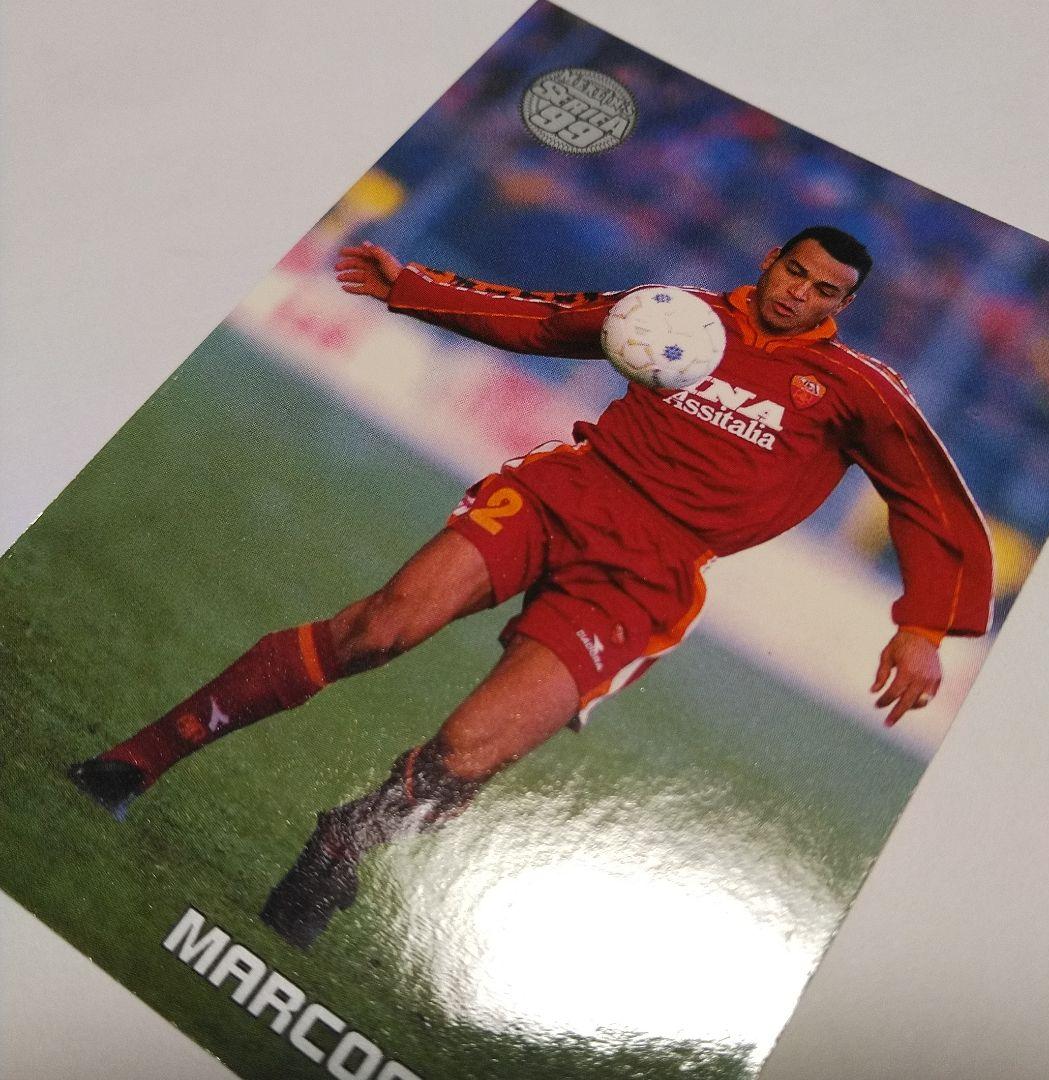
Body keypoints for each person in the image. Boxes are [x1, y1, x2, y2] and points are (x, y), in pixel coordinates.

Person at [68, 226, 994, 949]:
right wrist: (411, 289)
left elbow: (935, 505)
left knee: (469, 753)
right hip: (566, 492)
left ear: (845, 304)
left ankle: (344, 844)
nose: (801, 294)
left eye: (826, 291)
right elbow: (551, 319)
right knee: (379, 629)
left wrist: (923, 626)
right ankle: (134, 762)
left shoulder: (856, 388)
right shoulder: (677, 312)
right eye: (795, 273)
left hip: (648, 576)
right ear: (771, 261)